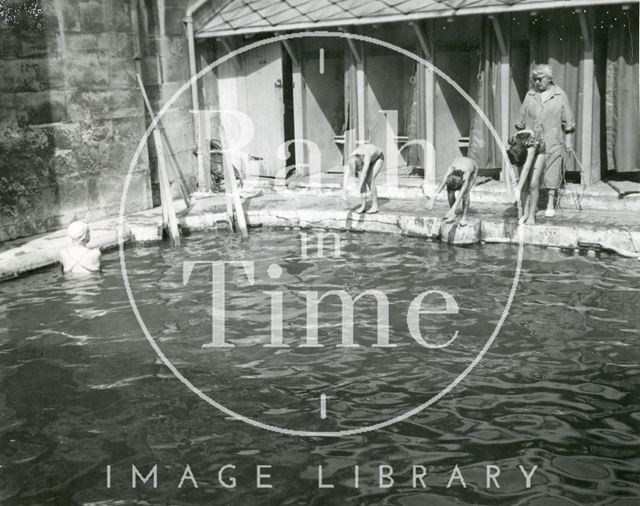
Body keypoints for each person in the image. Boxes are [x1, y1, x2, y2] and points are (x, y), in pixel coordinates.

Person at [515, 64, 575, 221]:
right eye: (534, 79)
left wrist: (568, 140)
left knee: (552, 169)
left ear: (549, 79)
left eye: (539, 79)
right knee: (531, 172)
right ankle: (528, 207)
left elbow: (568, 120)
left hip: (552, 138)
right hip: (532, 141)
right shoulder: (530, 95)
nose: (536, 82)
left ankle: (550, 202)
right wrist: (519, 135)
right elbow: (521, 119)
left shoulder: (560, 96)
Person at [507, 128, 546, 225]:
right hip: (522, 150)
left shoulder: (531, 145)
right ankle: (526, 213)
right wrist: (512, 187)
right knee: (523, 184)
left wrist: (517, 189)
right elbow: (507, 167)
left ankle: (531, 215)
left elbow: (527, 168)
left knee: (533, 184)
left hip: (539, 150)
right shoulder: (512, 143)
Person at [426, 157, 478, 226]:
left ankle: (464, 217)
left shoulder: (466, 174)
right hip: (460, 164)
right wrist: (432, 199)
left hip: (473, 169)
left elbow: (460, 195)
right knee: (449, 190)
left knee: (465, 193)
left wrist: (454, 208)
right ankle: (452, 214)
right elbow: (442, 184)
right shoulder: (450, 169)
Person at [343, 143, 384, 214]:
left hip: (378, 157)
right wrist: (344, 189)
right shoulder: (351, 158)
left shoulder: (366, 156)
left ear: (361, 161)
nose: (359, 170)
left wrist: (357, 189)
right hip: (366, 159)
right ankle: (363, 206)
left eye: (359, 168)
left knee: (369, 180)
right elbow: (346, 174)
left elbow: (364, 173)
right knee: (362, 181)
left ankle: (375, 206)